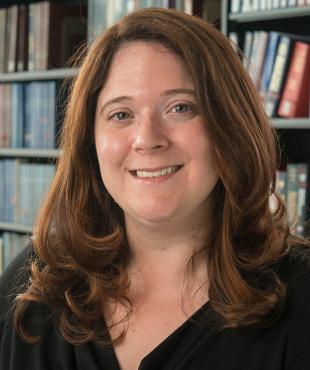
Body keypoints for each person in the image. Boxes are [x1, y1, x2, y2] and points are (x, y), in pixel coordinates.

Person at [1, 7, 310, 370]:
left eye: (180, 107)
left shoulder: (300, 297)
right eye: (121, 114)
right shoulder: (34, 283)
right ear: (90, 142)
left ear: (230, 126)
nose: (148, 140)